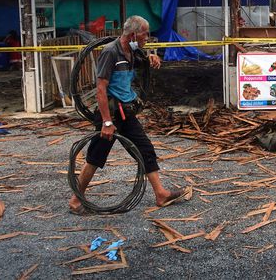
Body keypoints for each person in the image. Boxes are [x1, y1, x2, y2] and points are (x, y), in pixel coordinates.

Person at [69, 15, 189, 214]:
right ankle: (75, 200)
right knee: (95, 157)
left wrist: (150, 57)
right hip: (111, 114)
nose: (147, 38)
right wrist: (106, 121)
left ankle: (160, 194)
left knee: (145, 149)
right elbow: (100, 88)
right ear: (133, 34)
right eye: (144, 34)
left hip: (127, 113)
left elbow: (141, 63)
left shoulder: (132, 52)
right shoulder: (110, 53)